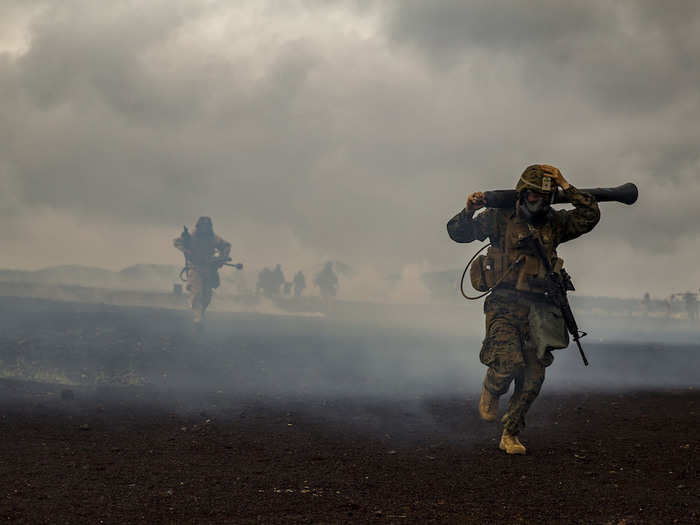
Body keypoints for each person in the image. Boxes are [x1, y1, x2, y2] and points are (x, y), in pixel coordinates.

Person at [447, 164, 600, 454]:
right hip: (504, 304)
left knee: (533, 378)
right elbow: (458, 233)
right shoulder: (498, 219)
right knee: (508, 363)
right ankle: (492, 389)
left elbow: (590, 216)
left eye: (544, 196)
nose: (537, 201)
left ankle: (510, 433)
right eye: (531, 195)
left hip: (540, 308)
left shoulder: (555, 223)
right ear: (521, 194)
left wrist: (566, 184)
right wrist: (468, 210)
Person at [173, 216, 231, 324]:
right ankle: (197, 316)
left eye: (207, 226)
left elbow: (226, 246)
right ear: (199, 226)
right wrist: (186, 250)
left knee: (207, 296)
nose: (205, 229)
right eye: (203, 226)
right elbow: (177, 242)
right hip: (195, 267)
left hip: (209, 269)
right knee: (196, 292)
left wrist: (221, 257)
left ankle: (201, 312)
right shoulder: (191, 236)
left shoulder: (214, 238)